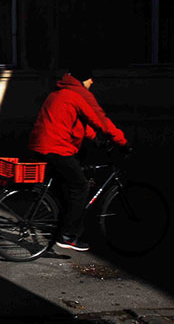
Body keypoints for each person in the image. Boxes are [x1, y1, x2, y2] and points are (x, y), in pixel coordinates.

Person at [28, 63, 129, 252]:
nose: (92, 82)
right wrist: (122, 142)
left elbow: (76, 122)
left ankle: (59, 227)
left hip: (41, 145)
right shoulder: (79, 94)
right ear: (84, 79)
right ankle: (67, 236)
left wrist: (96, 139)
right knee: (80, 186)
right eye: (90, 78)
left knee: (65, 188)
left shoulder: (60, 92)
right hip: (57, 148)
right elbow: (100, 120)